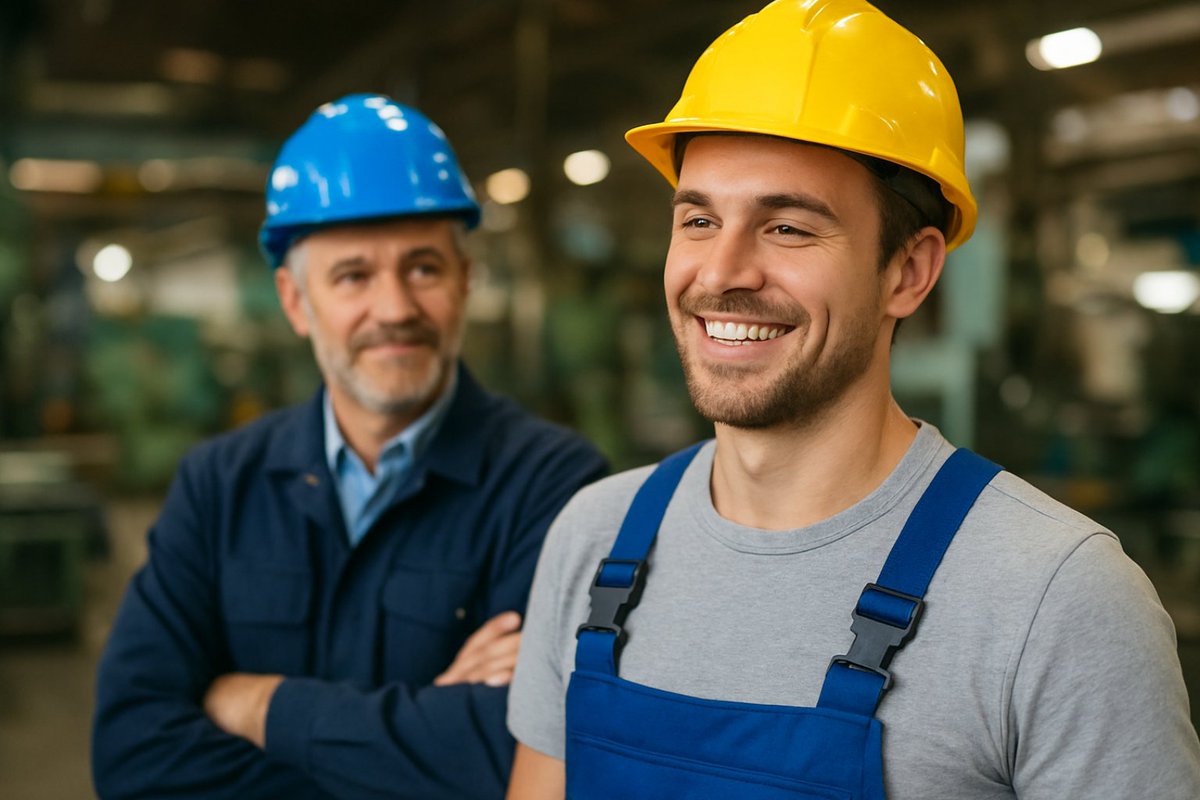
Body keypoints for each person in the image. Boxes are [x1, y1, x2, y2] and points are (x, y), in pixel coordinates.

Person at [505, 2, 1200, 798]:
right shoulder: (592, 540)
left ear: (909, 271)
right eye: (698, 218)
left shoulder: (1057, 599)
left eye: (789, 229)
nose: (721, 270)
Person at [91, 93, 607, 800]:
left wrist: (256, 704)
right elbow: (131, 751)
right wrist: (417, 738)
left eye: (423, 267)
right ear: (296, 302)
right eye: (353, 276)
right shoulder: (218, 485)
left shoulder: (557, 490)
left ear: (466, 280)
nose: (394, 308)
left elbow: (509, 759)